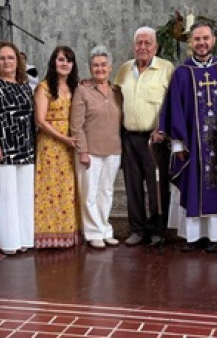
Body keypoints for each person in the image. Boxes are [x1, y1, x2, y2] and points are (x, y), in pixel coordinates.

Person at [156, 21, 217, 253]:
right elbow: (175, 109)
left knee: (216, 187)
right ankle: (192, 237)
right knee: (192, 185)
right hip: (192, 142)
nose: (201, 43)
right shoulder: (182, 72)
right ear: (190, 42)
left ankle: (214, 236)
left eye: (205, 38)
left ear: (213, 40)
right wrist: (178, 143)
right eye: (197, 39)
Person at [113, 26, 175, 246]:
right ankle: (137, 230)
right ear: (133, 46)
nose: (143, 47)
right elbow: (113, 97)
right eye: (139, 43)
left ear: (155, 46)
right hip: (129, 137)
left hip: (154, 139)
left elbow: (173, 103)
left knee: (157, 186)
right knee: (133, 187)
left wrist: (164, 129)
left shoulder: (166, 68)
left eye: (147, 43)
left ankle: (158, 230)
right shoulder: (123, 69)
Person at [0, 40, 36, 255]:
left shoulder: (24, 85)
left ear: (18, 61)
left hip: (25, 147)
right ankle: (9, 241)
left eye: (11, 57)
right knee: (6, 196)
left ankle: (25, 238)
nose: (7, 61)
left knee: (24, 195)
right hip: (1, 148)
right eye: (2, 58)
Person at [71, 46, 123, 249]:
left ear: (110, 67)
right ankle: (93, 232)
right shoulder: (82, 90)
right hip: (89, 151)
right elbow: (76, 125)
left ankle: (104, 229)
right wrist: (82, 150)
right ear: (90, 68)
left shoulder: (117, 91)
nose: (99, 68)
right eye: (95, 65)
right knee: (90, 193)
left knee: (106, 192)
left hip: (113, 149)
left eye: (103, 65)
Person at [33, 46, 80, 248]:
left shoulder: (75, 87)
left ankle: (68, 233)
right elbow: (40, 121)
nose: (64, 64)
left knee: (68, 189)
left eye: (68, 60)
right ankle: (49, 235)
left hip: (71, 144)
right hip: (51, 144)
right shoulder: (44, 88)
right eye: (61, 60)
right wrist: (63, 138)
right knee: (50, 189)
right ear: (54, 62)